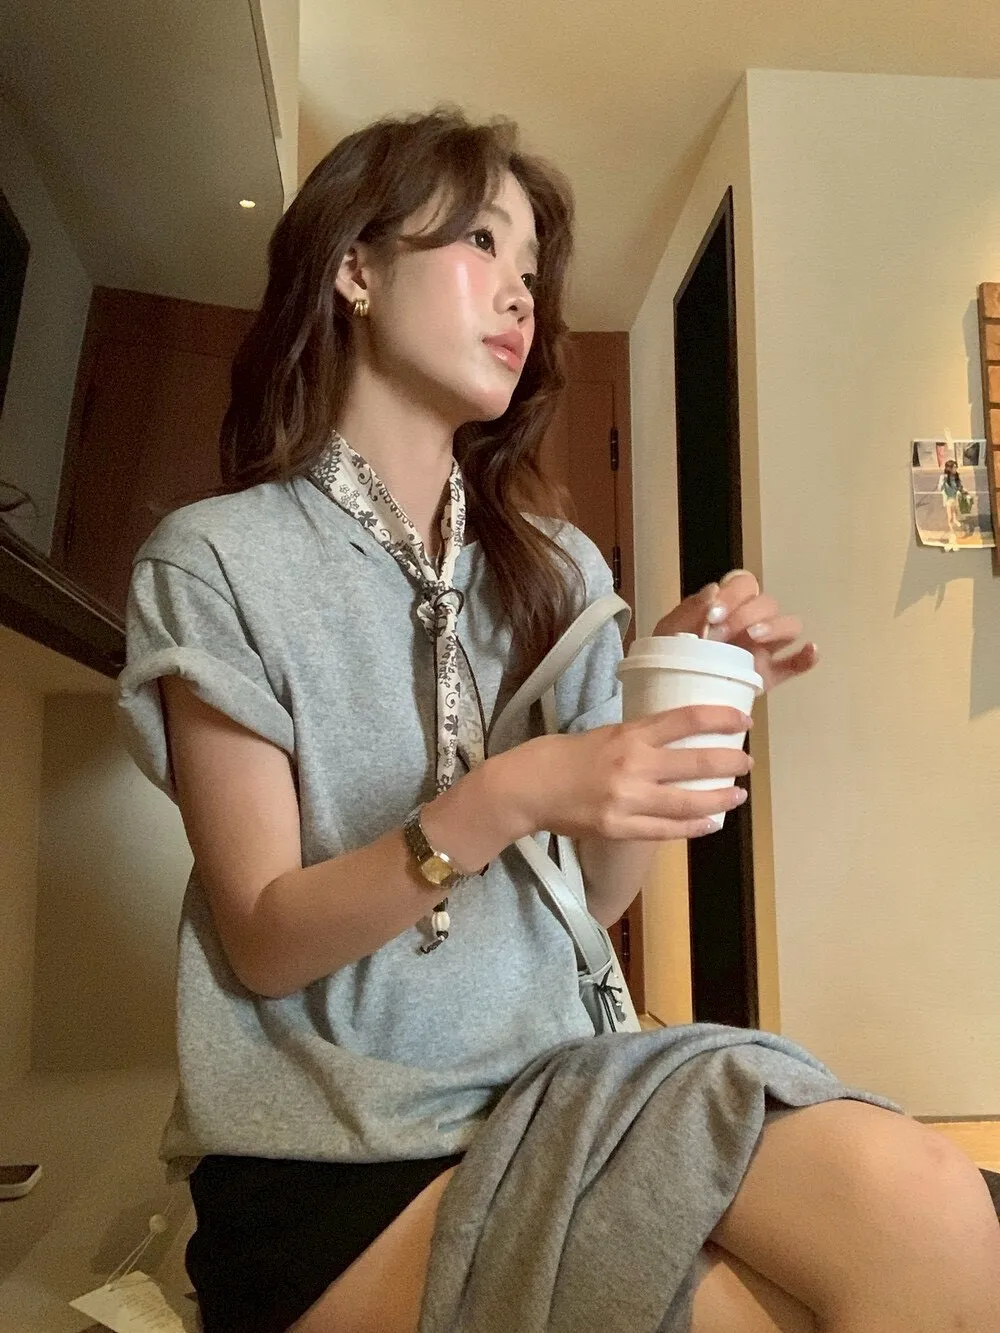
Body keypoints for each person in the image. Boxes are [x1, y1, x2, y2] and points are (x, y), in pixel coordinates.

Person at [116, 108, 1000, 1333]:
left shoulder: (558, 568)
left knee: (933, 1204)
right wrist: (504, 793)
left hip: (567, 1085)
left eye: (532, 271)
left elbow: (598, 895)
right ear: (354, 267)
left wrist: (671, 693)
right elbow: (264, 939)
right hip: (336, 1156)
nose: (520, 297)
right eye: (481, 242)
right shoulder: (217, 560)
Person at [938, 457, 968, 550]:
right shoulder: (943, 477)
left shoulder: (956, 476)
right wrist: (943, 482)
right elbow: (939, 488)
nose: (955, 469)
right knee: (950, 517)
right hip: (948, 499)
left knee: (955, 512)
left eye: (956, 467)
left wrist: (964, 492)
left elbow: (960, 486)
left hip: (955, 498)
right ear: (949, 468)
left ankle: (955, 521)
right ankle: (952, 533)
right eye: (954, 467)